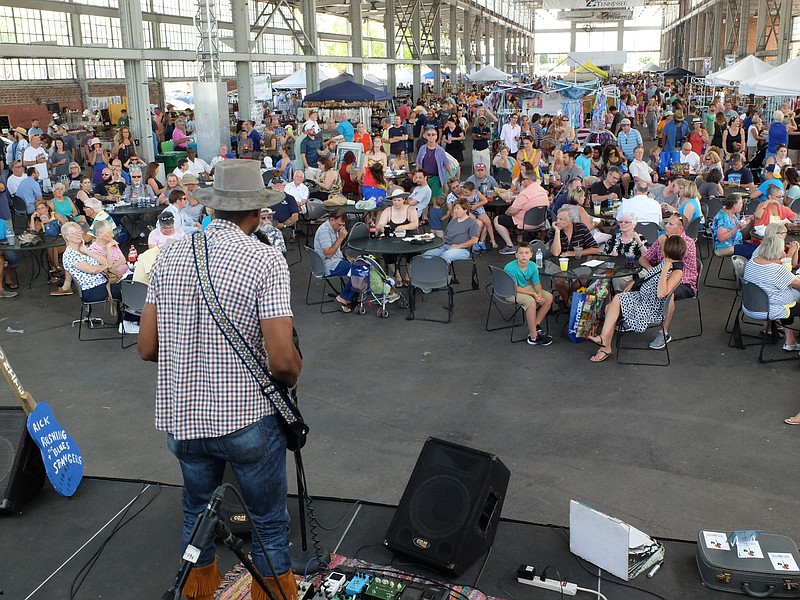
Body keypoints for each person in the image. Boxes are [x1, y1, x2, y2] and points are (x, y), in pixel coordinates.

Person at [138, 159, 301, 600]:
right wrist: (295, 368)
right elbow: (283, 362)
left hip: (182, 420)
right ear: (256, 213)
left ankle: (198, 588)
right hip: (245, 419)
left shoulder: (168, 255)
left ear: (213, 208)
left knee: (197, 510)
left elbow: (147, 348)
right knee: (267, 521)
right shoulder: (265, 259)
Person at [588, 235, 687, 362]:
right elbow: (651, 278)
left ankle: (605, 346)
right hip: (642, 297)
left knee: (609, 308)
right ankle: (603, 343)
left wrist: (664, 272)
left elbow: (662, 293)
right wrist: (635, 282)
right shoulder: (666, 261)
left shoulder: (676, 271)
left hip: (650, 307)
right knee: (616, 300)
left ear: (668, 250)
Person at [744, 234, 800, 353]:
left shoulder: (752, 262)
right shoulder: (777, 270)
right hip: (771, 309)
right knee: (792, 304)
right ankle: (789, 340)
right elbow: (797, 283)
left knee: (791, 300)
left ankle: (790, 340)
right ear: (777, 250)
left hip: (751, 306)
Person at [503, 242, 554, 346]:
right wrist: (532, 294)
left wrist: (539, 293)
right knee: (531, 302)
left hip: (526, 287)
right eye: (521, 253)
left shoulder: (533, 265)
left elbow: (537, 283)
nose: (524, 255)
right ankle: (533, 337)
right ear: (516, 255)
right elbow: (514, 287)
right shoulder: (510, 268)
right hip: (511, 291)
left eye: (526, 253)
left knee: (549, 297)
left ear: (531, 255)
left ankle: (536, 325)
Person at [547, 207, 599, 304]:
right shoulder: (553, 231)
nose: (557, 222)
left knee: (583, 279)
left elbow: (595, 249)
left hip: (580, 263)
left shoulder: (581, 228)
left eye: (561, 219)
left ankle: (565, 298)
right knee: (559, 281)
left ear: (570, 221)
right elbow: (555, 253)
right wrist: (557, 232)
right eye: (557, 218)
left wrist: (573, 253)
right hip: (558, 264)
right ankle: (569, 304)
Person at [315, 208, 359, 312]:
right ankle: (344, 297)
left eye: (343, 225)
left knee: (360, 264)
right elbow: (329, 253)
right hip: (327, 264)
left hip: (334, 260)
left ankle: (351, 296)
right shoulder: (324, 231)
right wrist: (340, 238)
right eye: (339, 224)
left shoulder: (333, 229)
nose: (341, 227)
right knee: (359, 269)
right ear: (331, 220)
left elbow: (336, 251)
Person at [376, 188, 418, 286]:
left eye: (399, 200)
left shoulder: (410, 209)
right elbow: (379, 224)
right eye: (394, 200)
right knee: (386, 252)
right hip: (392, 240)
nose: (396, 202)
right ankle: (397, 275)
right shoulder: (388, 210)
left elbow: (415, 224)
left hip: (409, 239)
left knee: (414, 251)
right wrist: (381, 228)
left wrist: (405, 227)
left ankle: (408, 275)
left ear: (403, 200)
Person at [422, 197, 479, 265]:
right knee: (427, 254)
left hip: (462, 249)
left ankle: (442, 275)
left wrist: (459, 246)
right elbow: (444, 236)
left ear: (465, 210)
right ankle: (428, 273)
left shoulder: (472, 223)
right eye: (454, 208)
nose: (455, 211)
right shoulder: (453, 222)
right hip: (445, 246)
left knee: (445, 256)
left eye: (458, 209)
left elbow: (474, 240)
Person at [712, 194, 756, 259]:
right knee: (754, 253)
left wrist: (747, 221)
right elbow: (721, 238)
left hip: (736, 242)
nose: (742, 205)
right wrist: (736, 228)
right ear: (734, 206)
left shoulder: (732, 214)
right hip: (725, 247)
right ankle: (747, 268)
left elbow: (737, 227)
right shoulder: (723, 217)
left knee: (758, 249)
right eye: (741, 203)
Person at [269, 177, 300, 243]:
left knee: (282, 235)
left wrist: (283, 224)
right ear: (271, 187)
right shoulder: (266, 199)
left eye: (280, 186)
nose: (277, 189)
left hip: (285, 227)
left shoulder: (290, 198)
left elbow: (295, 216)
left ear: (284, 186)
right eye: (275, 186)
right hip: (268, 224)